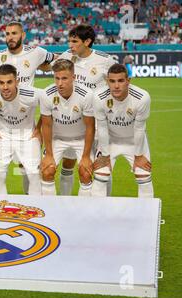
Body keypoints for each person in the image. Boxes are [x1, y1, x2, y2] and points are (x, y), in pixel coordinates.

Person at [0, 21, 55, 194]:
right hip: (3, 120)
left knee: (29, 169)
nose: (10, 37)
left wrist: (46, 67)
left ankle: (29, 202)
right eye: (8, 34)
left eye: (14, 33)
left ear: (23, 35)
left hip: (26, 119)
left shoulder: (36, 53)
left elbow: (55, 62)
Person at [56, 24, 116, 196]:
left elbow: (122, 80)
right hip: (71, 121)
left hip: (97, 123)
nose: (70, 45)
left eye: (74, 41)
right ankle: (63, 202)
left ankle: (106, 203)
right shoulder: (66, 57)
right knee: (68, 162)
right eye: (69, 41)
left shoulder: (104, 60)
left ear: (87, 41)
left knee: (100, 164)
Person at [91, 64, 154, 198]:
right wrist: (105, 155)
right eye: (112, 81)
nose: (116, 86)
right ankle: (97, 215)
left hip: (134, 141)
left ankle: (146, 216)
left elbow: (139, 128)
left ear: (128, 81)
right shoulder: (98, 97)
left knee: (143, 175)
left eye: (120, 81)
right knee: (100, 174)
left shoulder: (142, 97)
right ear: (107, 81)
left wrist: (138, 155)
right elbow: (101, 127)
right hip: (110, 140)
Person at [0, 64, 42, 195]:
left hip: (28, 137)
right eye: (1, 83)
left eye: (9, 82)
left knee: (34, 174)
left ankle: (35, 206)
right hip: (3, 137)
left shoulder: (32, 94)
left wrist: (38, 129)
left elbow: (48, 105)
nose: (5, 87)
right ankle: (0, 207)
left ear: (17, 81)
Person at [40, 59, 95, 196]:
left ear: (73, 78)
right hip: (57, 138)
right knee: (47, 170)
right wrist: (49, 154)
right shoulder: (46, 94)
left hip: (81, 139)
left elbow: (90, 127)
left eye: (64, 78)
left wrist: (86, 156)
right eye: (57, 78)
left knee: (85, 173)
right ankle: (51, 210)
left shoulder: (86, 95)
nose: (60, 83)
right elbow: (46, 125)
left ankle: (84, 212)